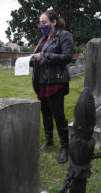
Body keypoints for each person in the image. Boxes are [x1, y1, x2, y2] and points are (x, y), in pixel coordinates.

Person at [30, 10, 73, 164]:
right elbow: (37, 57)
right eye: (40, 23)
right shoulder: (43, 39)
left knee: (58, 116)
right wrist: (29, 59)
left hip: (55, 83)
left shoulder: (64, 36)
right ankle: (49, 140)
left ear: (54, 22)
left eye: (45, 23)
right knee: (46, 113)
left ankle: (65, 148)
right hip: (41, 82)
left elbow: (67, 57)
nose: (42, 26)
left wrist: (44, 56)